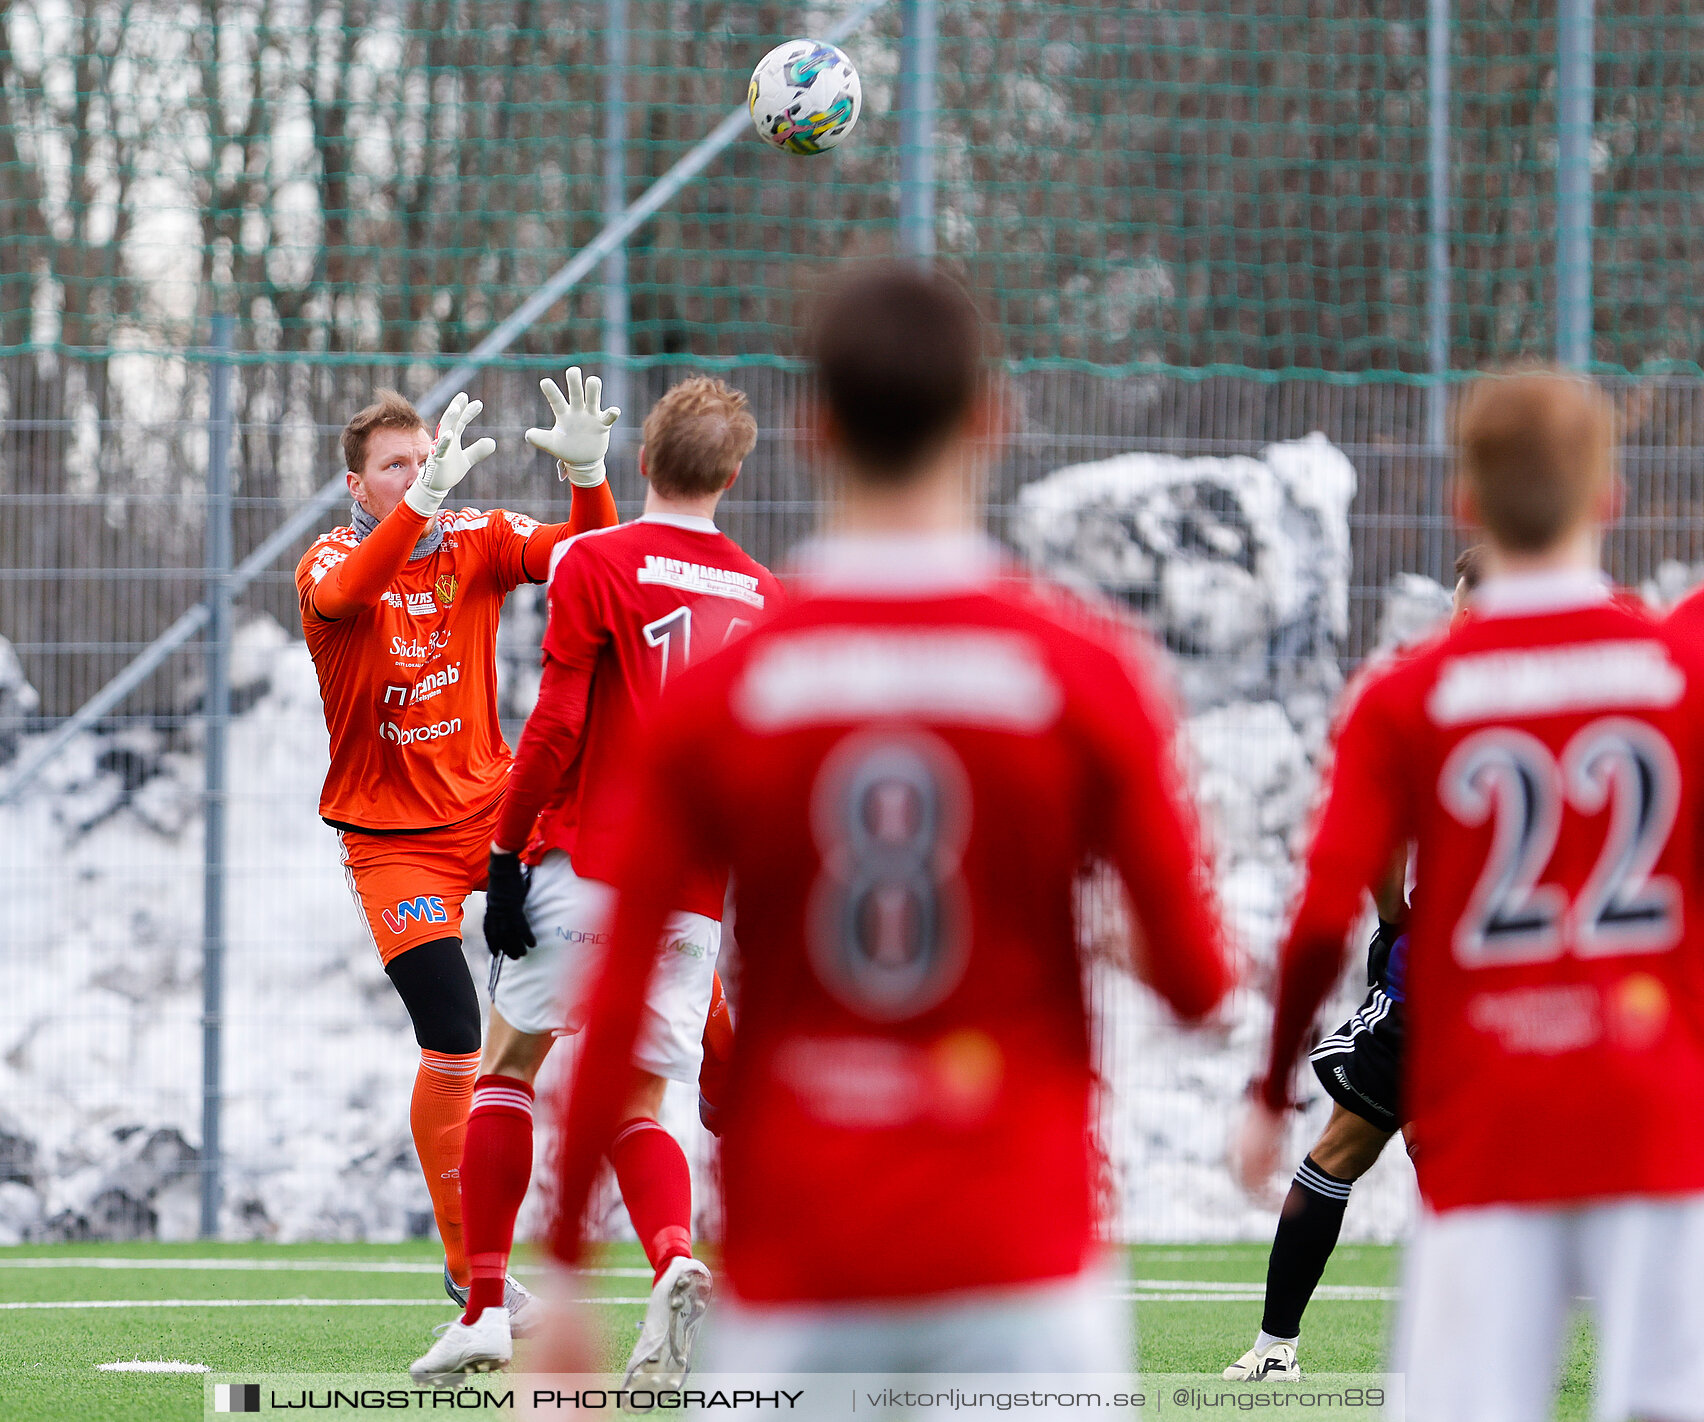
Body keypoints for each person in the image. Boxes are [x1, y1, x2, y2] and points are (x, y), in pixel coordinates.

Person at [535, 263, 1235, 1387]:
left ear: (812, 431)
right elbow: (1202, 988)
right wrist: (1119, 934)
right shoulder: (1086, 670)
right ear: (991, 421)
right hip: (1022, 1251)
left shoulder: (732, 687)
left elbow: (615, 1003)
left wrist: (567, 1269)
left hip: (804, 1245)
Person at [1235, 370, 1704, 1422]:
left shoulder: (1404, 697)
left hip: (1492, 1105)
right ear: (1608, 498)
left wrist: (1267, 1090)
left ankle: (1275, 1344)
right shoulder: (1677, 668)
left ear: (1467, 503)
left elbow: (1319, 917)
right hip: (1657, 1116)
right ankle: (1275, 1342)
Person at [408, 376, 782, 1386]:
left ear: (645, 461)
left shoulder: (603, 562)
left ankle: (485, 1306)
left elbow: (559, 723)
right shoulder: (764, 595)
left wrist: (503, 851)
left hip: (586, 861)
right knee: (635, 1100)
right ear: (735, 474)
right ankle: (672, 1257)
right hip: (690, 896)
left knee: (509, 1068)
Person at [296, 371, 619, 1316]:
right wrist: (421, 505)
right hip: (392, 843)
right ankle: (466, 1258)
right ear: (359, 487)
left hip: (490, 816)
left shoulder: (476, 538)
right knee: (451, 1044)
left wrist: (590, 476)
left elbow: (585, 558)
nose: (416, 472)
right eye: (395, 465)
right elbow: (355, 589)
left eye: (424, 456)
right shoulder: (325, 564)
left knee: (610, 947)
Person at [1224, 545, 1485, 1383]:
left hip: (1437, 975)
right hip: (1546, 983)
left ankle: (1274, 1351)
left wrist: (1393, 918)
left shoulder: (1424, 693)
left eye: (1462, 604)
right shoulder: (1596, 687)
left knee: (1341, 1147)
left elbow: (1374, 846)